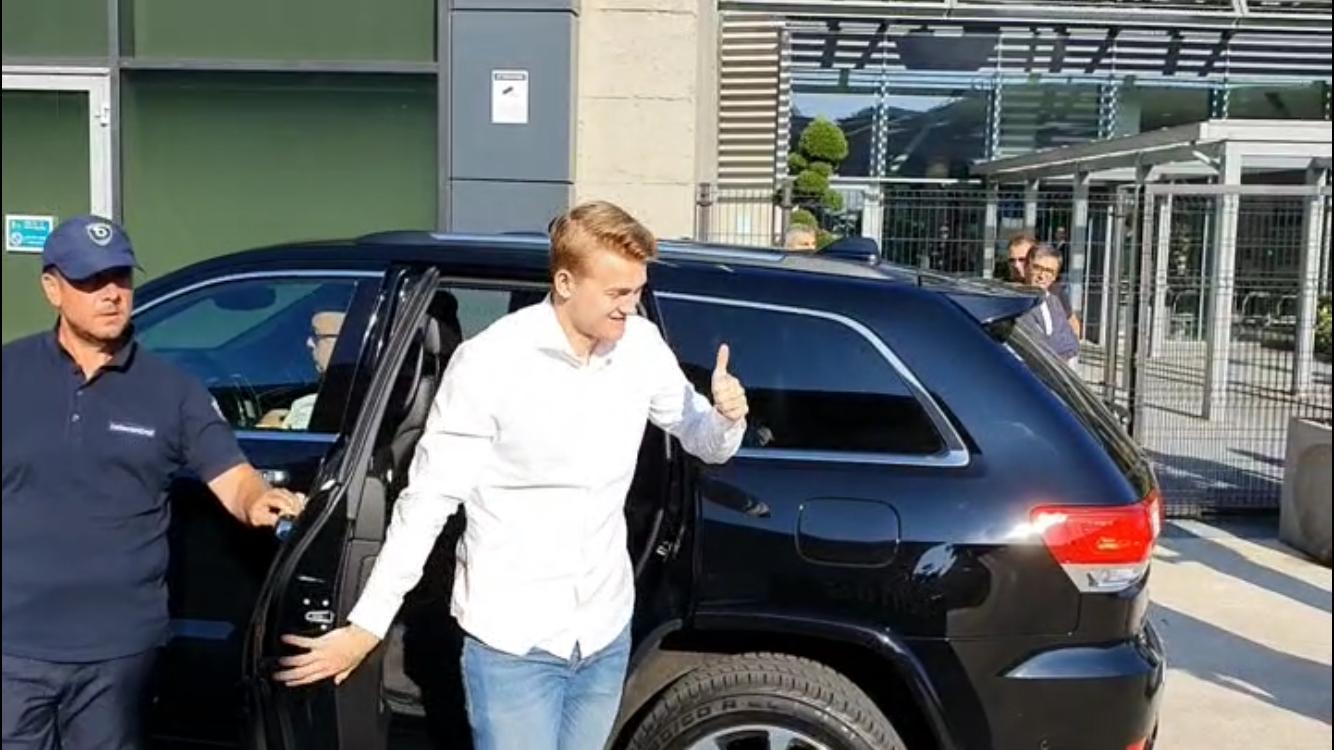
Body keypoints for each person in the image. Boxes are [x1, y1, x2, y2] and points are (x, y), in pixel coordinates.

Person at [275, 201, 749, 750]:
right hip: (512, 642)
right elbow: (427, 501)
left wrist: (725, 418)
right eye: (617, 293)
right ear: (565, 283)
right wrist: (369, 626)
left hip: (604, 629)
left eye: (637, 290)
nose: (630, 305)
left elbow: (700, 438)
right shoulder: (490, 363)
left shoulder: (639, 347)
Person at [1, 215, 306, 749]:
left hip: (118, 651)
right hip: (13, 645)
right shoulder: (10, 373)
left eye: (120, 277)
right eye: (91, 280)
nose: (111, 294)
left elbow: (233, 477)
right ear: (52, 287)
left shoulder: (173, 391)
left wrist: (259, 500)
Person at [257, 310, 347, 430]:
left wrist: (270, 427)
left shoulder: (315, 408)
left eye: (317, 336)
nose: (309, 342)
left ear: (344, 341)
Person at [1005, 232, 1082, 338]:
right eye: (1012, 260)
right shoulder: (1004, 291)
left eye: (1022, 260)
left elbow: (1073, 325)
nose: (1016, 265)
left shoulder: (1054, 291)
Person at [1019, 242, 1081, 367]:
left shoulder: (1055, 301)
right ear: (1026, 267)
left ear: (1055, 277)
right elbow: (1033, 347)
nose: (1042, 276)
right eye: (1037, 268)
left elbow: (1071, 344)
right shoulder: (1017, 302)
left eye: (1049, 271)